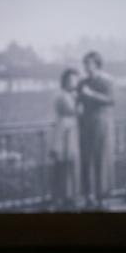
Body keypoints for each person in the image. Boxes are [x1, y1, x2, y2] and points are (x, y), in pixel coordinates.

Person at [76, 50, 115, 209]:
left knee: (101, 159)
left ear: (97, 64)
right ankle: (88, 196)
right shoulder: (82, 82)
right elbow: (77, 100)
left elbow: (111, 100)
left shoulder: (107, 80)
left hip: (101, 122)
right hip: (85, 123)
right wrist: (77, 107)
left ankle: (101, 197)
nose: (86, 66)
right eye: (84, 63)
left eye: (89, 63)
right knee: (86, 160)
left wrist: (91, 94)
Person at [49, 68, 80, 209]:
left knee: (70, 166)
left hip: (72, 132)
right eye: (71, 80)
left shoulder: (72, 95)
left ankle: (69, 197)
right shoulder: (62, 96)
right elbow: (73, 111)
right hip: (63, 132)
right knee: (62, 166)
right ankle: (60, 198)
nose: (73, 82)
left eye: (75, 79)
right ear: (65, 81)